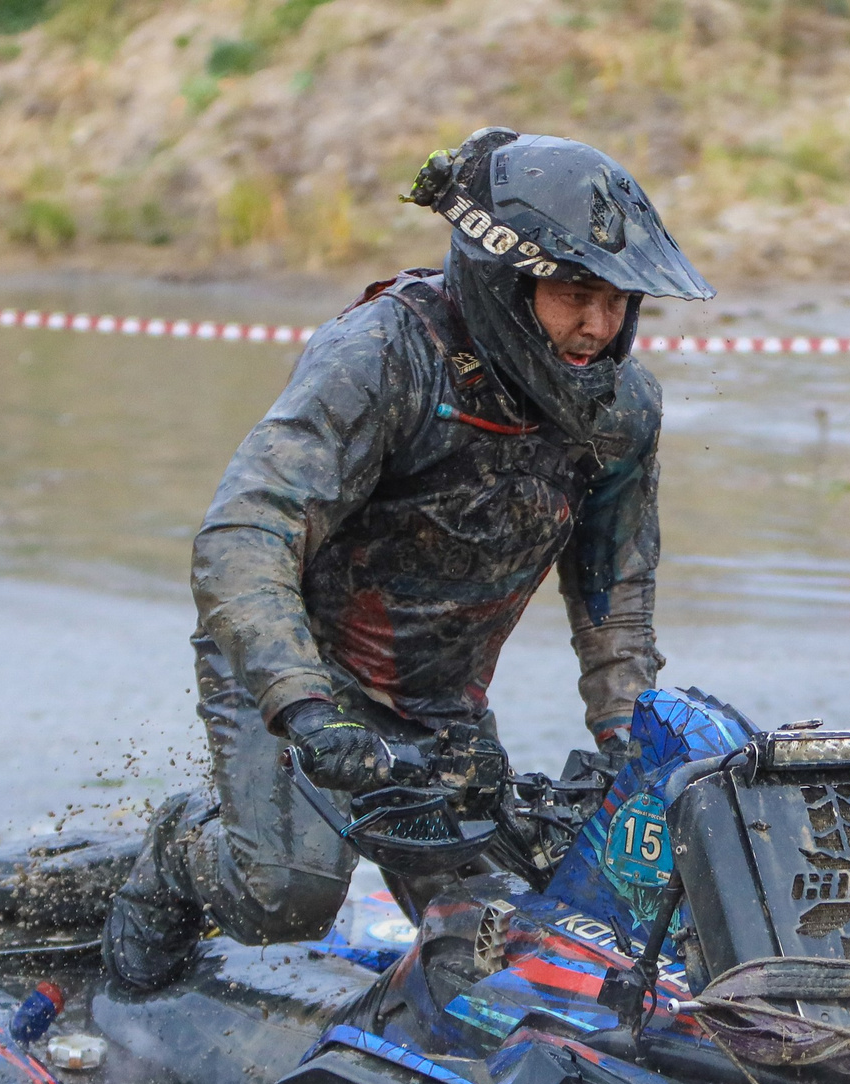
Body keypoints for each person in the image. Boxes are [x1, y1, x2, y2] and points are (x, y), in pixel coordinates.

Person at [101, 128, 714, 989]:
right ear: (505, 281)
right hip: (299, 669)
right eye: (574, 295)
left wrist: (629, 739)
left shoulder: (620, 410)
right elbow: (246, 532)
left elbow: (615, 593)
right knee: (286, 893)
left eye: (617, 301)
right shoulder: (384, 356)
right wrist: (304, 705)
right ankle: (176, 850)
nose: (597, 327)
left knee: (510, 938)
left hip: (439, 704)